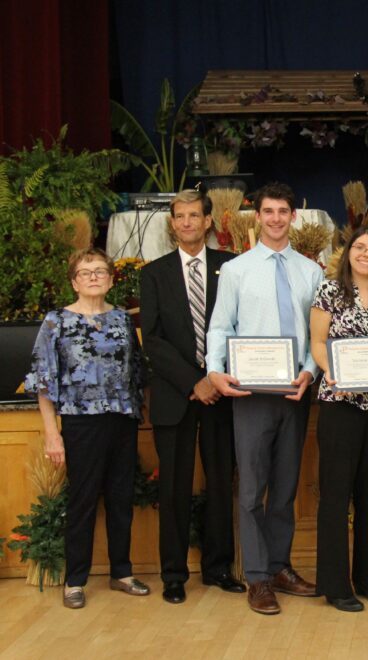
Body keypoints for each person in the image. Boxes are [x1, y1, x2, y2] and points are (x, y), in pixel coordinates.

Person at [206, 182, 324, 615]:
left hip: (294, 392)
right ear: (256, 217)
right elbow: (221, 326)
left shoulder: (311, 272)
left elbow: (319, 334)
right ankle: (257, 578)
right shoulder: (236, 270)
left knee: (286, 488)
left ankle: (279, 567)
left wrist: (310, 372)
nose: (275, 218)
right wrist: (215, 371)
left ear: (294, 217)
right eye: (268, 211)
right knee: (252, 488)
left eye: (283, 211)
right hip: (250, 393)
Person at [25, 247, 149, 609]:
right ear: (74, 281)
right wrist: (52, 433)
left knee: (121, 498)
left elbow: (137, 373)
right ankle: (75, 580)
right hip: (80, 422)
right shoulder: (56, 322)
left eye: (100, 271)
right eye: (86, 272)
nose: (94, 276)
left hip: (123, 420)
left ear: (111, 279)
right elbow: (44, 382)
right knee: (82, 501)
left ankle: (122, 572)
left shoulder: (123, 320)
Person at [140, 189, 245, 604]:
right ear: (172, 223)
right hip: (176, 396)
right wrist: (194, 382)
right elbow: (154, 339)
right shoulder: (154, 273)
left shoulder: (231, 267)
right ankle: (173, 575)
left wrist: (215, 379)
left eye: (192, 216)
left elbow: (242, 325)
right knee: (175, 488)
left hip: (223, 394)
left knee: (221, 483)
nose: (185, 223)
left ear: (208, 222)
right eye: (178, 216)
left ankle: (218, 568)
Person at [310, 225, 368, 613]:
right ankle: (336, 586)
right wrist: (331, 371)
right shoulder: (329, 291)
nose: (367, 254)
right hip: (339, 402)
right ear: (348, 252)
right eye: (360, 247)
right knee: (335, 494)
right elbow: (317, 341)